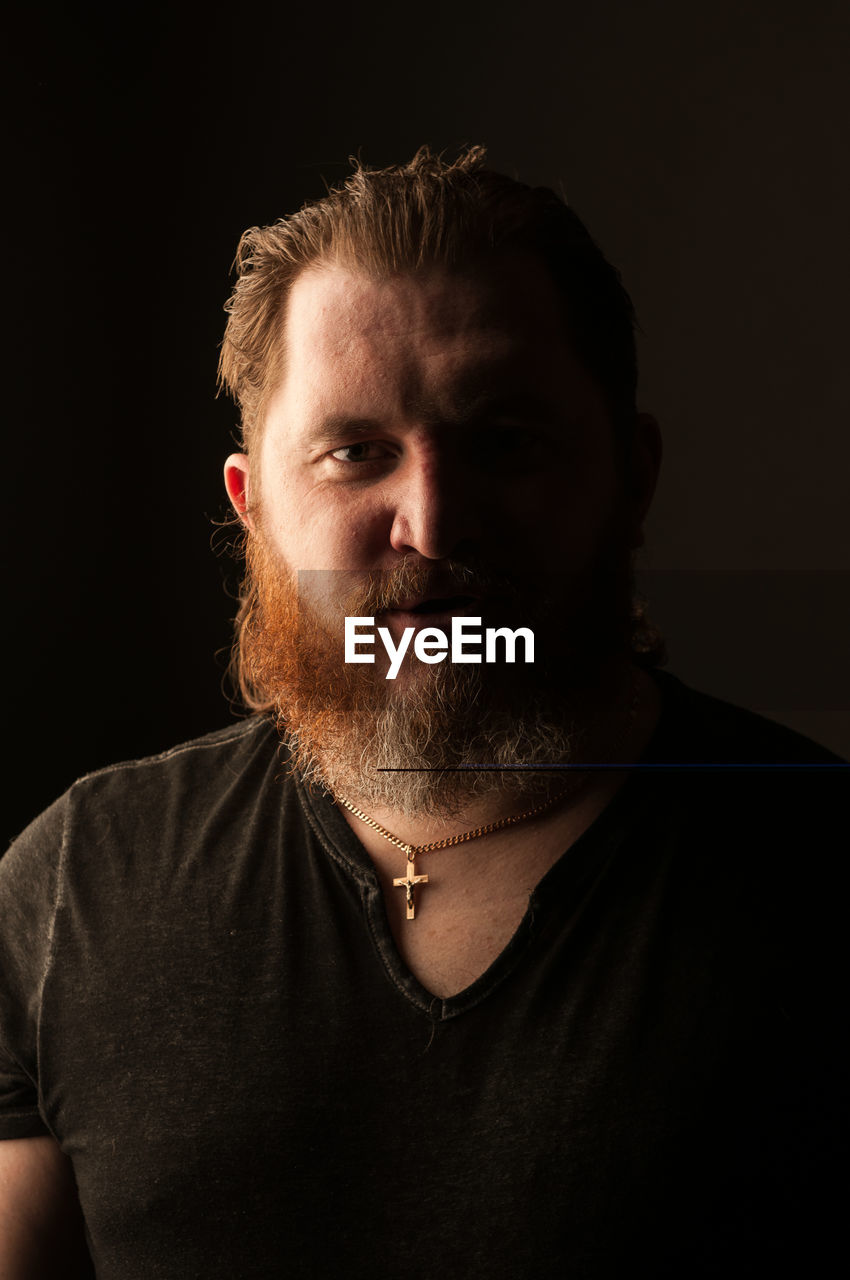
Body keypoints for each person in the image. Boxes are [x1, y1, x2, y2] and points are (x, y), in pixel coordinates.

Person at [0, 146, 845, 1279]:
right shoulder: (77, 885)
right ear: (254, 507)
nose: (435, 526)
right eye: (355, 452)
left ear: (629, 476)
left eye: (504, 442)